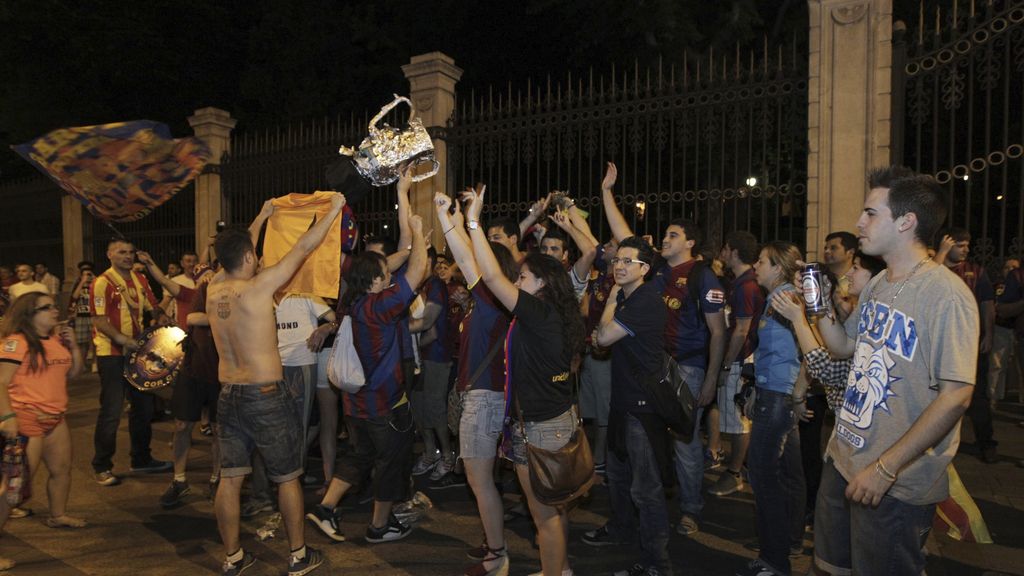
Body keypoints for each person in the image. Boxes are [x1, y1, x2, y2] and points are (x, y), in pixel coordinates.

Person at [811, 167, 979, 576]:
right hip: (843, 460)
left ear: (906, 222)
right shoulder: (880, 282)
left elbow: (957, 394)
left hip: (893, 481)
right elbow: (843, 347)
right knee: (829, 567)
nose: (858, 223)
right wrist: (815, 305)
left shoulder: (946, 295)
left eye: (870, 213)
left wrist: (886, 469)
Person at [207, 193, 345, 576]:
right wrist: (332, 210)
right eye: (253, 253)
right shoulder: (258, 288)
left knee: (232, 479)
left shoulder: (214, 289)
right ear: (250, 258)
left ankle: (233, 558)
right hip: (264, 394)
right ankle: (298, 555)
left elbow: (234, 254)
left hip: (228, 394)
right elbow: (303, 248)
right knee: (288, 477)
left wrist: (261, 215)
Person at [600, 161, 727, 537]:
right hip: (655, 367)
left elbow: (718, 332)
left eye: (673, 235)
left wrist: (710, 380)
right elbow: (626, 240)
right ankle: (650, 513)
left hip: (687, 367)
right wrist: (607, 193)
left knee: (686, 443)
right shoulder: (655, 273)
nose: (665, 239)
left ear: (689, 242)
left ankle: (690, 510)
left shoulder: (702, 275)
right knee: (653, 445)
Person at [467, 184, 585, 576]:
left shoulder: (537, 313)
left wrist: (472, 222)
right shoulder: (553, 314)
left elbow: (492, 276)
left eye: (523, 277)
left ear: (542, 284)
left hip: (539, 427)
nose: (516, 281)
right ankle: (561, 568)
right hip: (551, 420)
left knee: (544, 517)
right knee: (554, 507)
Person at [306, 204, 428, 546]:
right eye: (384, 274)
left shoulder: (352, 303)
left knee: (360, 455)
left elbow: (389, 268)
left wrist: (404, 201)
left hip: (355, 405)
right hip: (383, 405)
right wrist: (419, 234)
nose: (389, 277)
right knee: (389, 462)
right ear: (375, 281)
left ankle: (327, 507)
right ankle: (379, 526)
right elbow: (417, 273)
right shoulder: (380, 306)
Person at [435, 190, 518, 576]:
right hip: (486, 398)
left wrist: (455, 218)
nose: (467, 269)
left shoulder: (489, 296)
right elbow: (467, 257)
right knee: (484, 482)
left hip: (485, 401)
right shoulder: (493, 300)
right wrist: (449, 215)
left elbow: (467, 257)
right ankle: (493, 541)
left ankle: (497, 555)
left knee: (479, 481)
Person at [588, 236, 672, 576]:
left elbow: (603, 339)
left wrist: (609, 300)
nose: (618, 266)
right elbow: (599, 342)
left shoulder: (645, 301)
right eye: (616, 260)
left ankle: (657, 564)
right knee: (619, 476)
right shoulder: (630, 298)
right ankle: (623, 531)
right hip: (623, 402)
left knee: (646, 489)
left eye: (627, 261)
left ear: (645, 269)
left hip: (642, 407)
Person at [736, 242, 809, 576]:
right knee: (784, 476)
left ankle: (774, 560)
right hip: (773, 393)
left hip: (778, 398)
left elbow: (810, 347)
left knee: (765, 479)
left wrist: (796, 393)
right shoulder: (776, 299)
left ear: (778, 267)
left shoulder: (785, 299)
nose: (756, 265)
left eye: (762, 261)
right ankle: (783, 547)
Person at [0, 292, 86, 570]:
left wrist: (73, 348)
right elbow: (1, 382)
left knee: (62, 470)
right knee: (13, 489)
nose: (54, 311)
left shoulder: (56, 340)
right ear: (29, 314)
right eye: (45, 308)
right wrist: (8, 417)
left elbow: (73, 375)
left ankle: (58, 514)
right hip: (26, 417)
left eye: (53, 305)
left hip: (55, 417)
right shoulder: (17, 342)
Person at [90, 239, 172, 486]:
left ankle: (141, 459)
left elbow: (153, 308)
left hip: (136, 352)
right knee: (112, 411)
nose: (127, 256)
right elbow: (99, 320)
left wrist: (162, 318)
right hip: (112, 353)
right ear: (109, 255)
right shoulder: (102, 282)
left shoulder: (140, 279)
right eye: (121, 252)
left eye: (130, 252)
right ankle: (102, 466)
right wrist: (122, 339)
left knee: (144, 408)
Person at [707, 231, 764, 498]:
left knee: (739, 422)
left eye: (726, 248)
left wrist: (727, 365)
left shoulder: (746, 287)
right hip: (739, 358)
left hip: (741, 360)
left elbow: (741, 330)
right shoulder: (740, 282)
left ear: (735, 252)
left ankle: (734, 474)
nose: (723, 253)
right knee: (735, 419)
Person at [935, 228, 998, 462]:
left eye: (967, 246)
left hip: (970, 345)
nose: (965, 250)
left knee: (977, 395)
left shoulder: (976, 272)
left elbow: (987, 304)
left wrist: (988, 334)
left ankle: (986, 442)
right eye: (960, 245)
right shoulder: (934, 267)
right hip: (940, 344)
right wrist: (939, 255)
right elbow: (926, 284)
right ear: (946, 244)